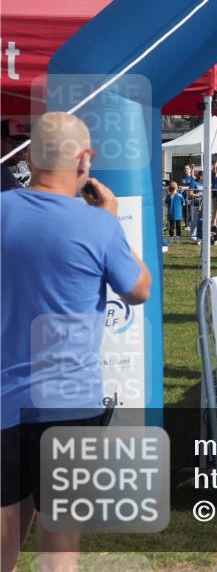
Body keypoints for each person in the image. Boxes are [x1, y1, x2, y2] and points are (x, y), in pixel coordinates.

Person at [1, 112, 151, 572]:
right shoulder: (98, 226)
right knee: (60, 550)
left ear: (28, 156)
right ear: (83, 161)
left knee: (5, 536)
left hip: (4, 398)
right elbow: (139, 289)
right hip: (69, 403)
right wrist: (109, 222)